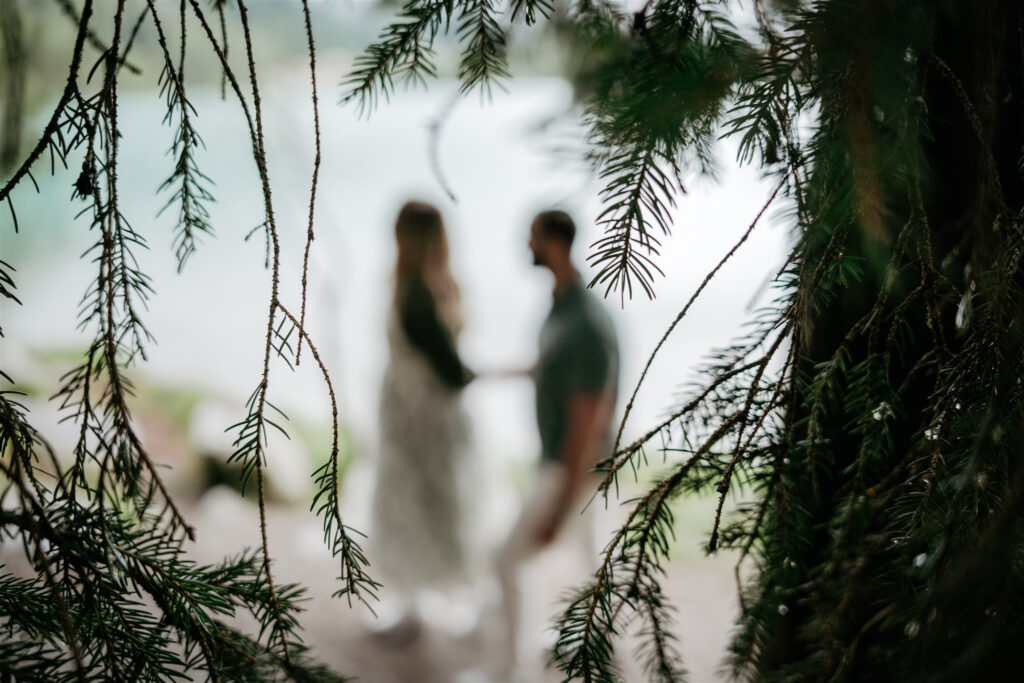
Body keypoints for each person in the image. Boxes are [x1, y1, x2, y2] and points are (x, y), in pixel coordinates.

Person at [493, 209, 619, 677]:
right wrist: (490, 373)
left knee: (504, 559)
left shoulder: (586, 320)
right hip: (571, 465)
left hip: (572, 466)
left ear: (554, 242)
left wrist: (560, 507)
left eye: (532, 238)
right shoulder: (559, 305)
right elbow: (550, 367)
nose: (526, 246)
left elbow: (588, 419)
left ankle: (509, 670)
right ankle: (593, 653)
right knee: (593, 568)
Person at [369, 201, 476, 641]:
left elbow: (450, 367)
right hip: (424, 414)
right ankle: (430, 597)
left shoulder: (414, 292)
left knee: (422, 502)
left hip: (419, 418)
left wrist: (481, 373)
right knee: (432, 502)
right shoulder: (435, 287)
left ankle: (431, 599)